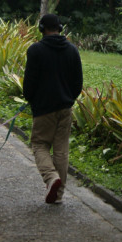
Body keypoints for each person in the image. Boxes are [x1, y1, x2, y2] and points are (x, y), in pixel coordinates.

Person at [22, 13, 83, 204]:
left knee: (39, 144)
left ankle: (51, 178)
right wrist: (69, 99)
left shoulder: (35, 50)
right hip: (65, 108)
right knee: (61, 150)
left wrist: (31, 99)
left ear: (42, 29)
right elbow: (78, 83)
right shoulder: (73, 51)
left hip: (43, 109)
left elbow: (29, 84)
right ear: (60, 28)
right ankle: (57, 196)